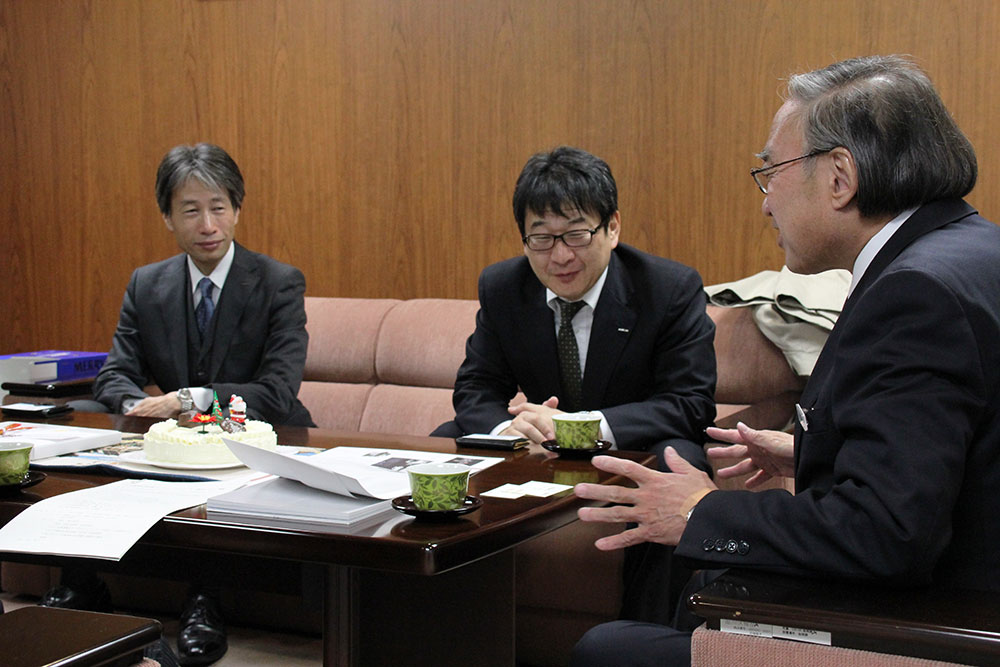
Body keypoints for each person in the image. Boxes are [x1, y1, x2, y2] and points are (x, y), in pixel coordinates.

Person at [570, 54, 1000, 667]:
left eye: (770, 170)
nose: (766, 201)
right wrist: (818, 448)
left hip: (944, 624)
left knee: (608, 648)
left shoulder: (914, 294)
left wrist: (701, 509)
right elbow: (956, 450)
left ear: (839, 177)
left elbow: (887, 536)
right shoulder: (973, 249)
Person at [48, 143, 314, 666]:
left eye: (218, 207)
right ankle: (81, 580)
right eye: (191, 210)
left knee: (225, 470)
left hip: (255, 433)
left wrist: (191, 400)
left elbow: (278, 391)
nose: (208, 223)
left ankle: (204, 602)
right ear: (167, 216)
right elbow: (116, 374)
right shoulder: (148, 284)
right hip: (171, 439)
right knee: (88, 419)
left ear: (237, 209)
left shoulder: (278, 283)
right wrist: (136, 404)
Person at [432, 145, 717, 621]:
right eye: (540, 239)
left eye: (577, 235)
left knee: (679, 460)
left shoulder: (668, 289)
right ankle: (440, 625)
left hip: (631, 449)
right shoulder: (504, 287)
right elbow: (477, 388)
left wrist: (576, 427)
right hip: (539, 451)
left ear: (613, 227)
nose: (560, 256)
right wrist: (509, 431)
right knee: (443, 446)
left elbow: (690, 405)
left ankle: (639, 637)